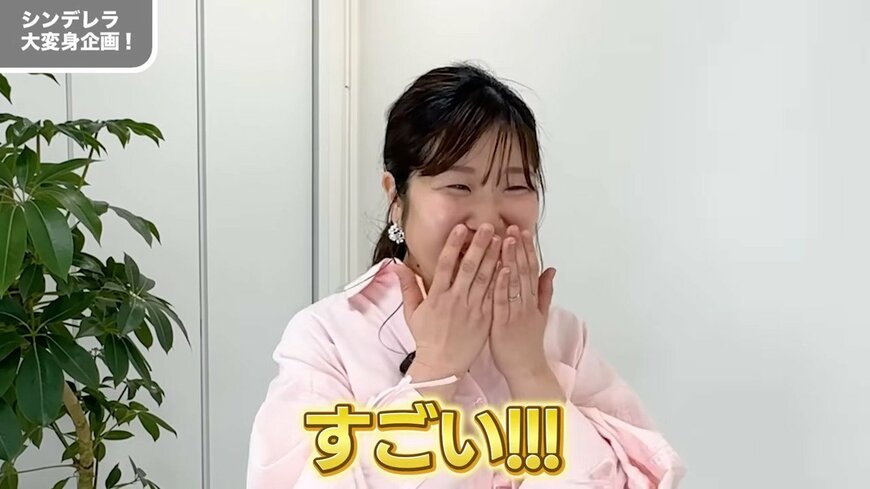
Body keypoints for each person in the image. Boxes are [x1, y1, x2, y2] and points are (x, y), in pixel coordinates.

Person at [246, 63, 686, 488]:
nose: (489, 221)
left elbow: (640, 476)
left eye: (515, 186)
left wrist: (530, 371)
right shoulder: (328, 337)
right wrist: (434, 372)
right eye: (459, 186)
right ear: (395, 198)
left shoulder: (563, 338)